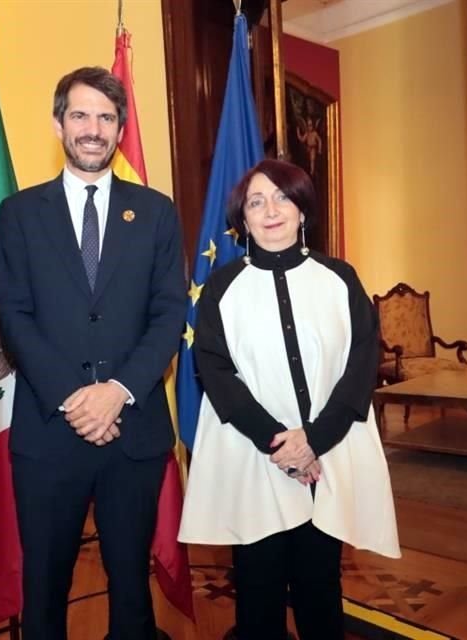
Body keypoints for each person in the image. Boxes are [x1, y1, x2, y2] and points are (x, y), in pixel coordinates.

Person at [0, 66, 187, 640]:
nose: (93, 128)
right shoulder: (20, 214)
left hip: (135, 431)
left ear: (121, 129)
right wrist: (76, 399)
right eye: (80, 115)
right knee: (46, 586)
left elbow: (168, 313)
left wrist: (117, 394)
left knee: (131, 582)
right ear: (58, 124)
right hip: (50, 430)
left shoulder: (156, 212)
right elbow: (15, 317)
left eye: (106, 117)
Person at [178, 159, 400, 640]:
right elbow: (215, 370)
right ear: (243, 219)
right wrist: (280, 443)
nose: (270, 210)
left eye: (282, 197)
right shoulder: (221, 286)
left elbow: (361, 363)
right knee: (257, 595)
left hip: (327, 458)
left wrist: (314, 441)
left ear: (302, 210)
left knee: (320, 588)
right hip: (253, 458)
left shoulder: (340, 278)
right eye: (256, 202)